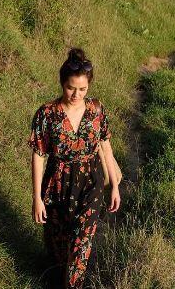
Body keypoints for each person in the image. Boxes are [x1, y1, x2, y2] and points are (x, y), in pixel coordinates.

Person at [28, 48, 120, 288]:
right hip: (56, 184)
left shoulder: (97, 111)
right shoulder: (46, 115)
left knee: (81, 244)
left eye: (83, 89)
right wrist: (37, 197)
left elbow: (106, 147)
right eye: (71, 88)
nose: (76, 94)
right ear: (62, 83)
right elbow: (38, 156)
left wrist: (115, 186)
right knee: (58, 247)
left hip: (90, 182)